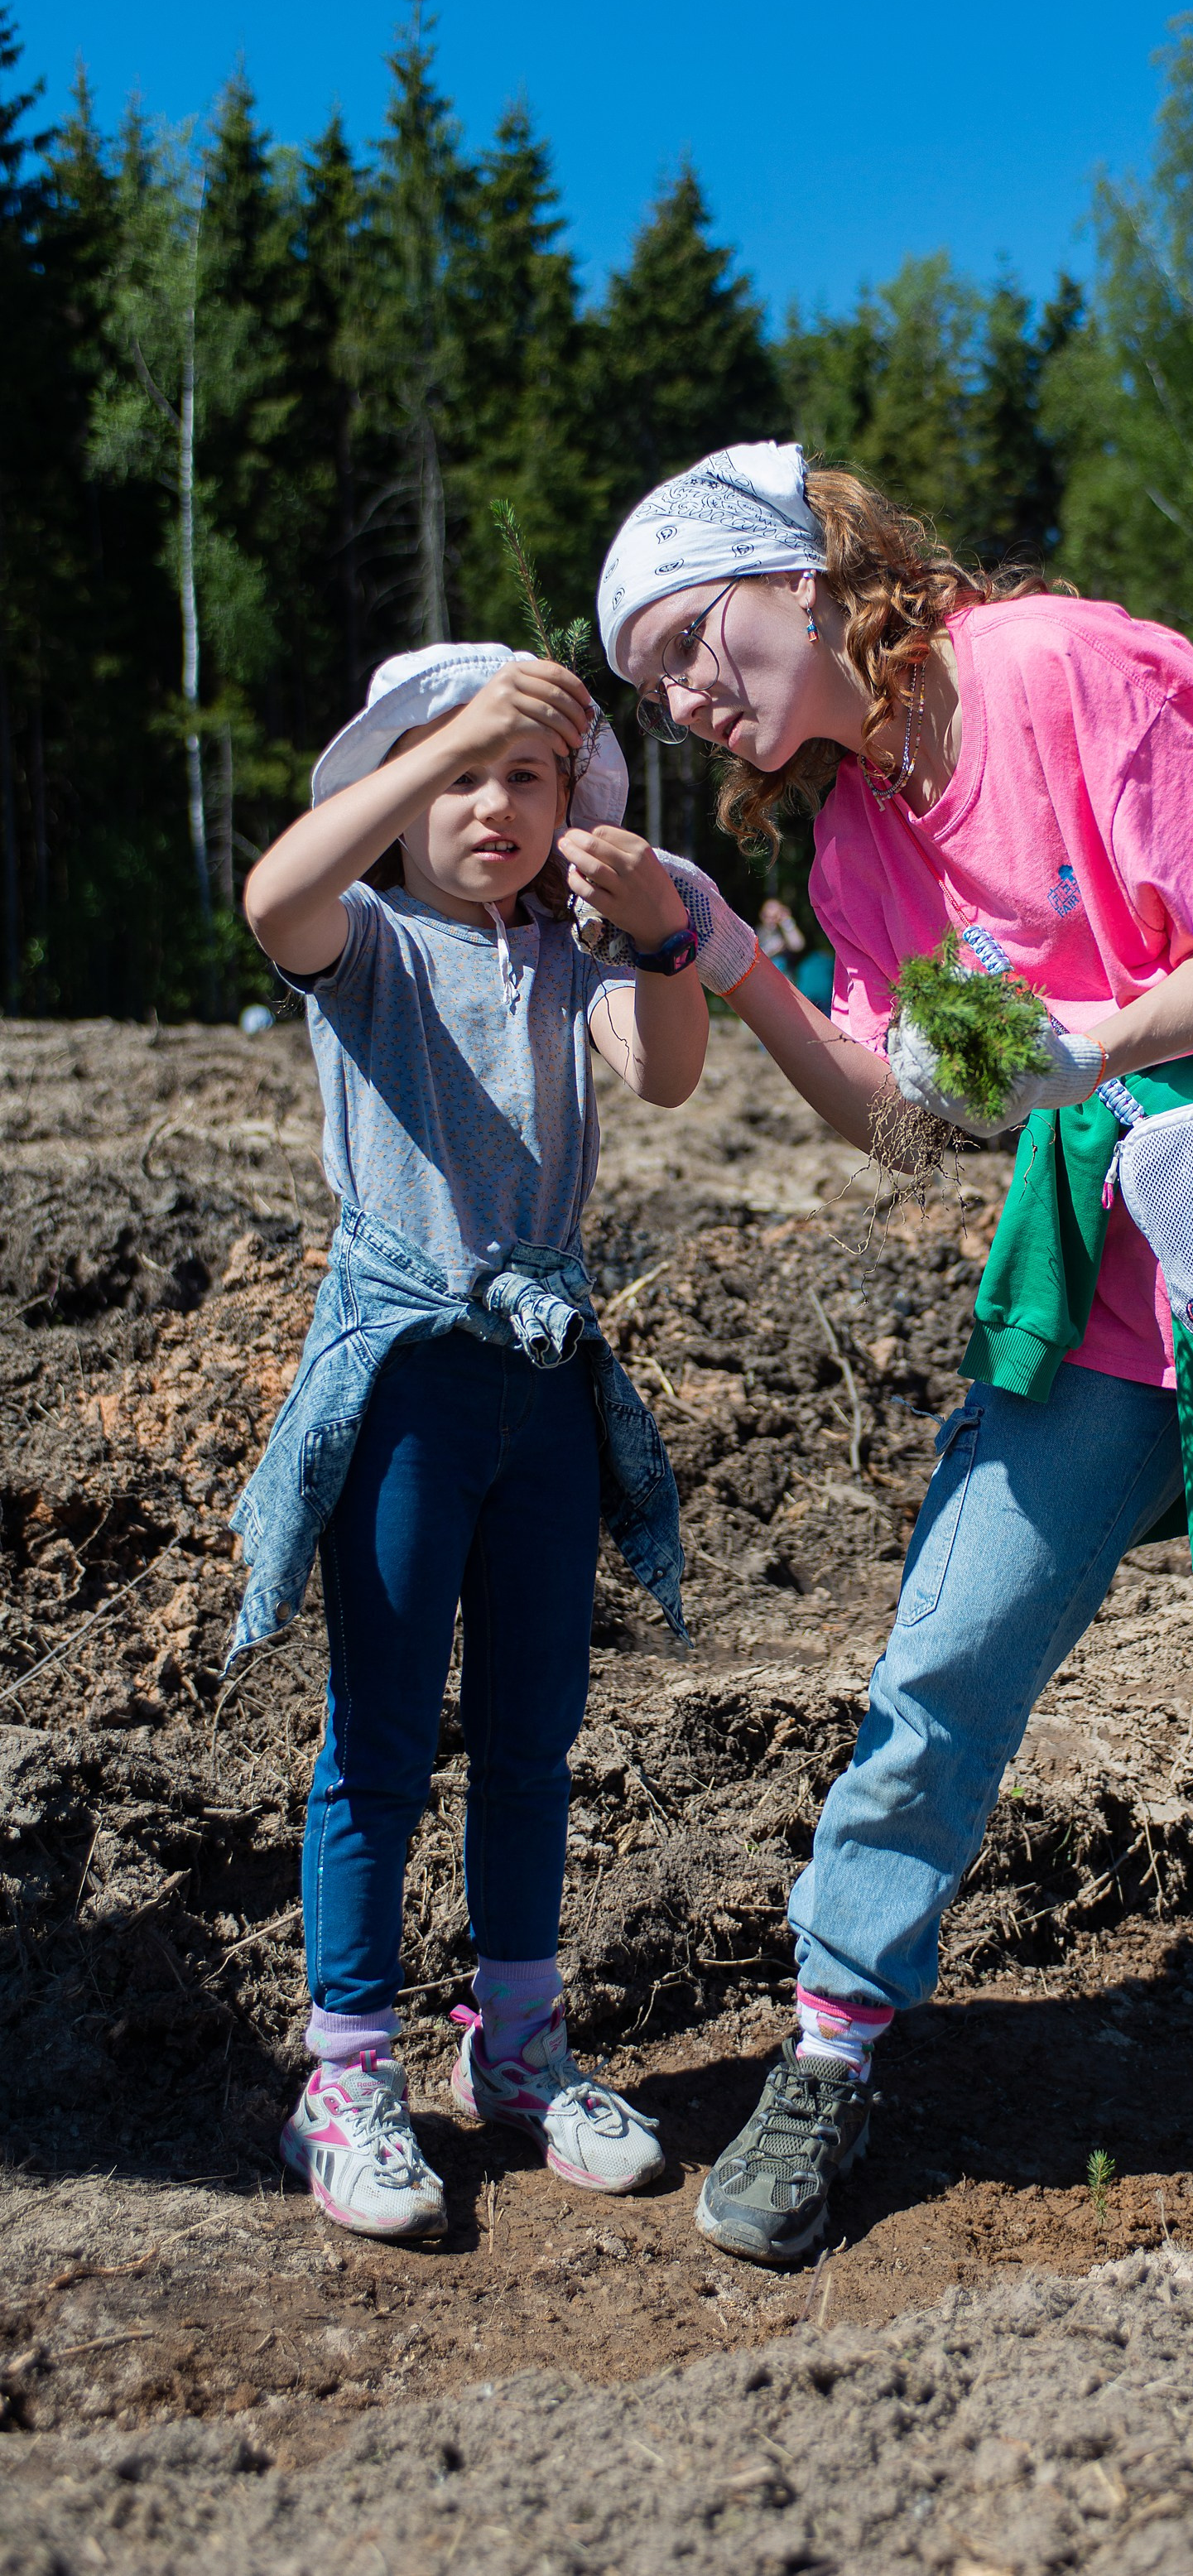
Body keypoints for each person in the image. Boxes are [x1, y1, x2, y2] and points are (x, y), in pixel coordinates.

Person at [599, 445, 1193, 2265]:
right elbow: (898, 1118)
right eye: (651, 688)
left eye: (690, 642)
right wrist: (728, 960)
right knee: (950, 1636)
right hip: (1116, 1242)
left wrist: (1093, 1041)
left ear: (802, 575)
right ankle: (830, 2042)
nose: (685, 699)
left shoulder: (1063, 664)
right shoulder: (854, 832)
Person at [234, 640, 757, 2242]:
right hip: (406, 1380)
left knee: (533, 1730)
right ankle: (345, 2071)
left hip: (541, 1386)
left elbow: (669, 1072)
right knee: (381, 1735)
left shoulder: (569, 960)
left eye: (525, 776)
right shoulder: (369, 942)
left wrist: (659, 932)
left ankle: (516, 2045)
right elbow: (271, 899)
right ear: (394, 797)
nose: (491, 805)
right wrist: (450, 733)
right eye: (456, 775)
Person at [757, 893, 806, 972]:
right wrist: (772, 951)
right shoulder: (755, 933)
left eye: (775, 916)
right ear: (761, 915)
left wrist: (786, 921)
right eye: (767, 916)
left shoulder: (784, 932)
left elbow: (798, 945)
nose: (771, 921)